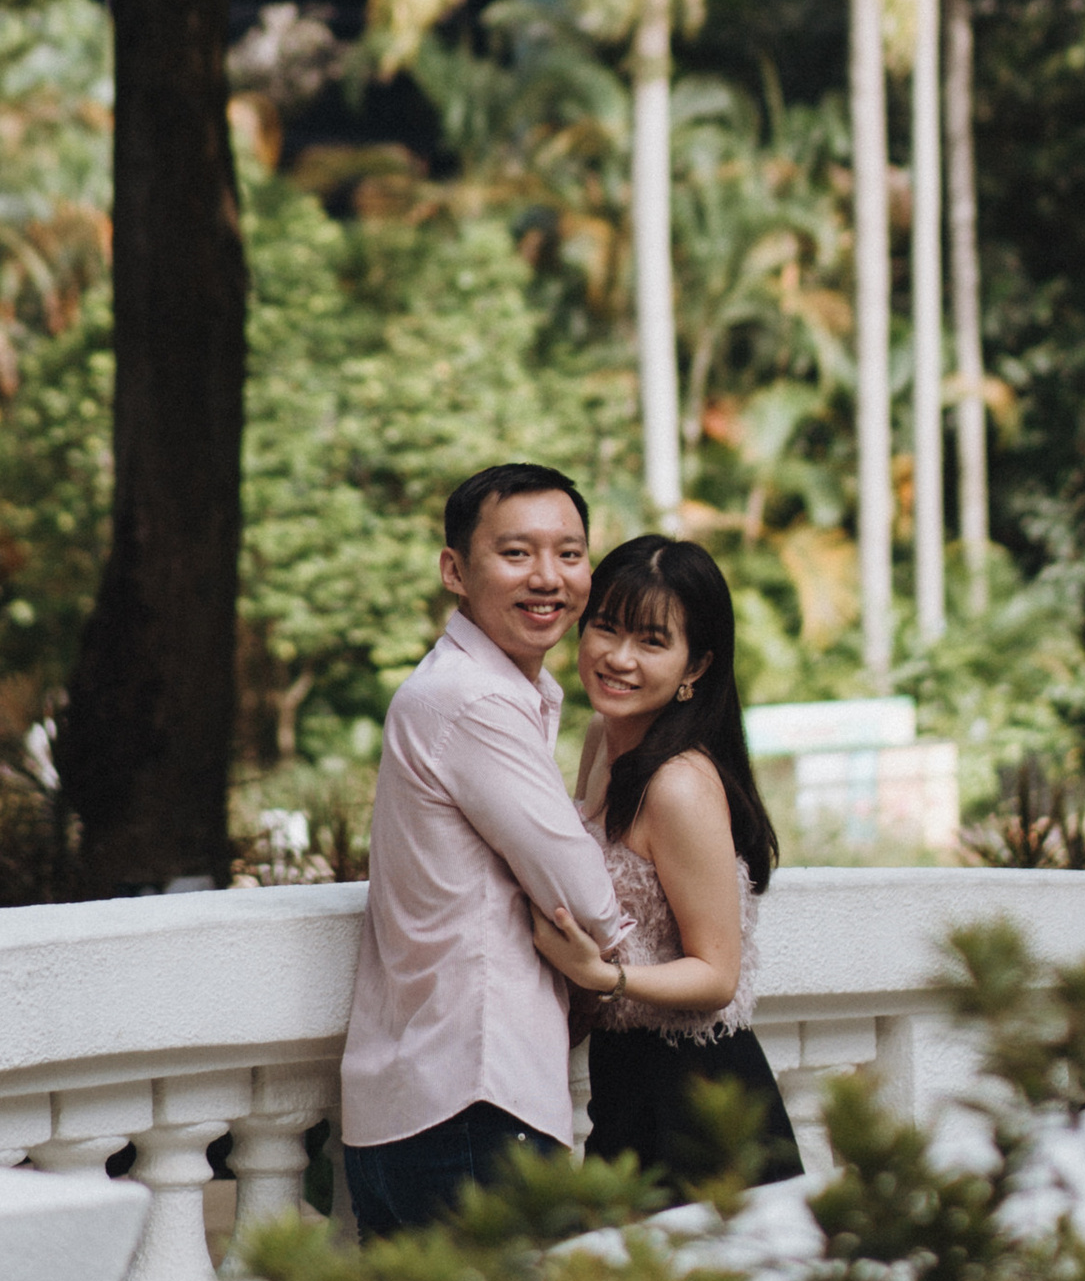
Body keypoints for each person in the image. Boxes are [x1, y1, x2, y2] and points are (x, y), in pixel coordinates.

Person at [338, 461, 630, 1240]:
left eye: (569, 554)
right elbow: (591, 904)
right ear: (454, 571)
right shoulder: (473, 702)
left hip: (421, 1099)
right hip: (473, 1098)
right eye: (516, 553)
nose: (549, 578)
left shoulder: (475, 692)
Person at [530, 533, 804, 1202]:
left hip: (701, 1097)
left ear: (696, 665)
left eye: (652, 642)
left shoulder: (678, 785)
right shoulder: (602, 739)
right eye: (608, 628)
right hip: (623, 1081)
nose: (619, 658)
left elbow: (717, 975)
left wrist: (605, 976)